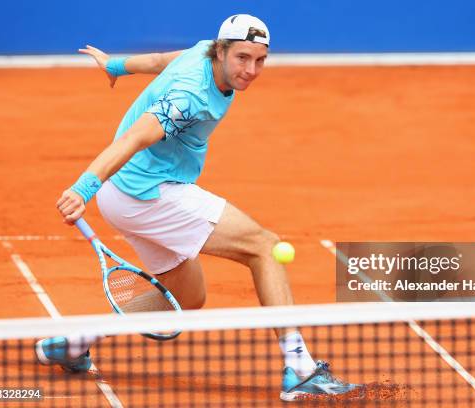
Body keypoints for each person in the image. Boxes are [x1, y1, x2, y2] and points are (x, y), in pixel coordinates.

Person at [35, 14, 357, 401]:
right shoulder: (192, 98)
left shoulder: (202, 51)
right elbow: (137, 137)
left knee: (186, 296)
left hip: (126, 194)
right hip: (147, 192)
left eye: (259, 60)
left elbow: (157, 60)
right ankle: (301, 370)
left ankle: (74, 343)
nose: (251, 70)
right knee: (265, 247)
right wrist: (84, 187)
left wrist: (116, 65)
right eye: (242, 58)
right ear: (221, 51)